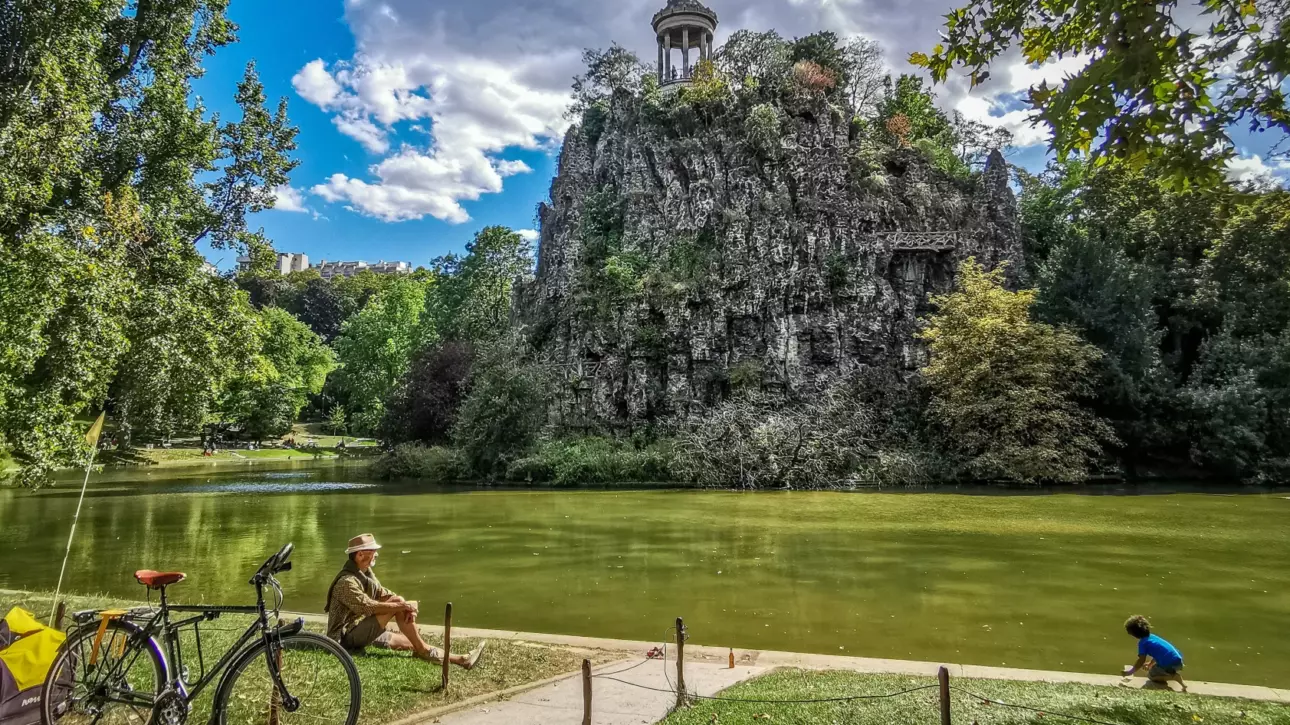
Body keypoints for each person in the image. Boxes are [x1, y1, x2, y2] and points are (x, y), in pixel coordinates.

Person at [325, 533, 485, 668]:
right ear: (360, 555)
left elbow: (384, 593)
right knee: (399, 607)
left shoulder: (364, 573)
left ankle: (461, 660)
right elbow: (368, 607)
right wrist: (402, 606)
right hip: (343, 639)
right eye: (373, 551)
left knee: (413, 642)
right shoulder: (346, 582)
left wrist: (405, 606)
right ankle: (424, 652)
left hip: (359, 628)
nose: (376, 555)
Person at [1122, 615, 1187, 692]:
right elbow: (1160, 653)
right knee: (1153, 669)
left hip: (1170, 664)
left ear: (1133, 633)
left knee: (1151, 676)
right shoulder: (1152, 637)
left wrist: (1130, 672)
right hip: (1178, 661)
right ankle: (1182, 683)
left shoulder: (1143, 643)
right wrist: (1150, 664)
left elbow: (1141, 660)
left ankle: (1174, 677)